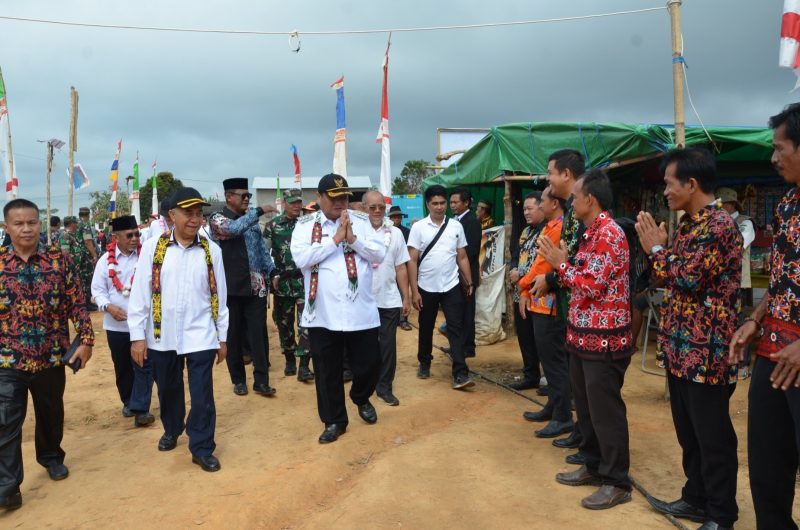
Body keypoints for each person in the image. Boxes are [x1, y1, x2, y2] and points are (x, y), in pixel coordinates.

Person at [637, 149, 741, 530]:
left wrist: (657, 250)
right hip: (680, 347)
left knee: (712, 436)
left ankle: (720, 514)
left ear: (691, 184)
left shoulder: (718, 226)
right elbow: (667, 276)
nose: (665, 191)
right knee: (689, 431)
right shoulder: (688, 225)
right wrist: (662, 254)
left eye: (668, 183)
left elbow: (687, 278)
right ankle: (695, 498)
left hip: (707, 352)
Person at [539, 169, 634, 510]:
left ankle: (616, 481)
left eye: (575, 196)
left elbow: (591, 284)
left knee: (605, 411)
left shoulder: (609, 233)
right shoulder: (590, 232)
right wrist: (562, 266)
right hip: (583, 335)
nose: (571, 201)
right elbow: (578, 275)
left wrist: (561, 265)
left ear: (590, 199)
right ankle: (593, 465)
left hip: (604, 340)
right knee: (589, 408)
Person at [729, 103, 800, 530]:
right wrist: (755, 320)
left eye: (779, 148)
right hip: (773, 356)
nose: (772, 158)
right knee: (767, 470)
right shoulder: (788, 206)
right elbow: (780, 283)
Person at [0, 199, 93, 511]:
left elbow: (77, 303)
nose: (26, 228)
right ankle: (8, 487)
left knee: (50, 414)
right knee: (5, 422)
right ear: (6, 227)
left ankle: (51, 457)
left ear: (39, 224)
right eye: (18, 223)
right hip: (7, 360)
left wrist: (87, 339)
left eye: (32, 222)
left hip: (51, 356)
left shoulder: (58, 260)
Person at [127, 187, 229, 473]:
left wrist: (222, 338)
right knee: (169, 389)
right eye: (188, 213)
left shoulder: (212, 251)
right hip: (162, 335)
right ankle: (172, 429)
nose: (195, 220)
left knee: (202, 394)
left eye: (199, 214)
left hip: (200, 334)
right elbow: (139, 295)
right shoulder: (153, 248)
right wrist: (137, 337)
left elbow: (219, 297)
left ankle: (202, 446)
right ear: (172, 215)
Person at [290, 174, 386, 444]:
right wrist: (334, 240)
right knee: (327, 370)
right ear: (320, 197)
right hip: (323, 313)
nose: (341, 202)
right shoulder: (305, 226)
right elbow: (301, 259)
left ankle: (360, 396)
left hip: (361, 311)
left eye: (344, 197)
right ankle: (334, 420)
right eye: (334, 197)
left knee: (369, 364)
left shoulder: (363, 222)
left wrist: (353, 240)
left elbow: (378, 254)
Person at [529, 149, 586, 455]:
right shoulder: (572, 216)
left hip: (572, 309)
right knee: (565, 369)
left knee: (567, 371)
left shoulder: (581, 216)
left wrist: (547, 279)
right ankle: (565, 417)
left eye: (550, 172)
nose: (547, 179)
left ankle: (567, 419)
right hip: (566, 307)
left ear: (566, 175)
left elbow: (573, 262)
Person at [209, 178, 277, 397]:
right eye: (243, 196)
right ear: (229, 197)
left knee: (259, 335)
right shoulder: (218, 218)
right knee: (234, 336)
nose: (247, 199)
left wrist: (272, 272)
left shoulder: (252, 222)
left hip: (256, 287)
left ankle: (261, 380)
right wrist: (258, 211)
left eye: (249, 196)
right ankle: (238, 380)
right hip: (230, 287)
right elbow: (234, 229)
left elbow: (262, 251)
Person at [407, 185, 475, 390]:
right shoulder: (418, 228)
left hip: (452, 285)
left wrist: (469, 281)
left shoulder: (455, 226)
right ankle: (424, 361)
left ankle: (460, 372)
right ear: (427, 204)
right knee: (426, 326)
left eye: (442, 203)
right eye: (434, 203)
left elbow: (461, 256)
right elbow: (411, 260)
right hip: (426, 286)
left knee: (456, 327)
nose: (439, 207)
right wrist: (414, 290)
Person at [91, 215, 155, 427]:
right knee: (123, 367)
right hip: (116, 325)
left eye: (137, 234)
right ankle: (129, 401)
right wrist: (108, 307)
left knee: (143, 365)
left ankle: (141, 408)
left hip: (143, 324)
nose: (135, 238)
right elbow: (97, 292)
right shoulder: (104, 262)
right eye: (129, 235)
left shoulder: (146, 256)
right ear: (115, 237)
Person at [519, 187, 573, 439]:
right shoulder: (550, 226)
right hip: (540, 302)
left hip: (550, 305)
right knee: (549, 361)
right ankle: (553, 406)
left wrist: (522, 284)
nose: (539, 205)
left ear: (554, 204)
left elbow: (542, 265)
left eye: (542, 201)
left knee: (555, 362)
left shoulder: (558, 228)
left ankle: (562, 416)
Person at [263, 188, 314, 382]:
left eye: (298, 202)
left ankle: (304, 365)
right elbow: (264, 253)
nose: (296, 206)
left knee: (306, 323)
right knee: (284, 324)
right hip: (282, 283)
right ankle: (290, 359)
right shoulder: (273, 226)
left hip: (304, 281)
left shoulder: (307, 225)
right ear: (284, 203)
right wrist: (272, 275)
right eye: (292, 202)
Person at [365, 191, 411, 406]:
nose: (377, 211)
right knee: (365, 346)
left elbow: (401, 267)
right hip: (362, 302)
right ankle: (365, 384)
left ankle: (384, 387)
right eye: (372, 207)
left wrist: (406, 297)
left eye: (381, 207)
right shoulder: (356, 231)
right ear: (364, 207)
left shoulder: (395, 233)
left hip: (389, 299)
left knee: (387, 346)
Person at [507, 191, 545, 390]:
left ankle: (547, 379)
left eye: (530, 208)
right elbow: (516, 253)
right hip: (519, 292)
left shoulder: (547, 231)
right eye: (524, 209)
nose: (526, 213)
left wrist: (521, 276)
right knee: (525, 336)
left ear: (542, 207)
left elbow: (542, 263)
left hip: (538, 294)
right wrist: (514, 268)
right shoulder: (526, 232)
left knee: (540, 337)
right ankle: (530, 374)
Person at [718, 186, 756, 379]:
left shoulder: (745, 223)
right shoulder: (719, 222)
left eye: (721, 204)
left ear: (731, 204)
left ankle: (743, 364)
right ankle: (729, 362)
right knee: (726, 321)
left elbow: (737, 243)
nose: (718, 207)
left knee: (740, 322)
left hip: (739, 282)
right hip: (722, 283)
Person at [449, 187, 481, 359]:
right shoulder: (454, 220)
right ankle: (459, 345)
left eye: (456, 202)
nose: (452, 205)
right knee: (459, 312)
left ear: (466, 203)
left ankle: (468, 347)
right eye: (451, 202)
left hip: (466, 274)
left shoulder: (472, 221)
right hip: (456, 274)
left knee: (467, 312)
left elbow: (472, 251)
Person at [388, 205, 413, 332]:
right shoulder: (385, 230)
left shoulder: (407, 232)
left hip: (402, 266)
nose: (396, 219)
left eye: (398, 216)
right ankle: (392, 319)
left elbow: (409, 251)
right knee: (391, 293)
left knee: (403, 292)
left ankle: (403, 319)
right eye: (394, 217)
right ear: (390, 218)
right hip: (388, 268)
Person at [77, 207, 99, 310]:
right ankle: (87, 303)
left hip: (79, 256)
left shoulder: (76, 224)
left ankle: (84, 302)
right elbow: (88, 241)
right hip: (86, 256)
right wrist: (94, 254)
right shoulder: (85, 225)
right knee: (88, 279)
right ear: (88, 214)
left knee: (82, 279)